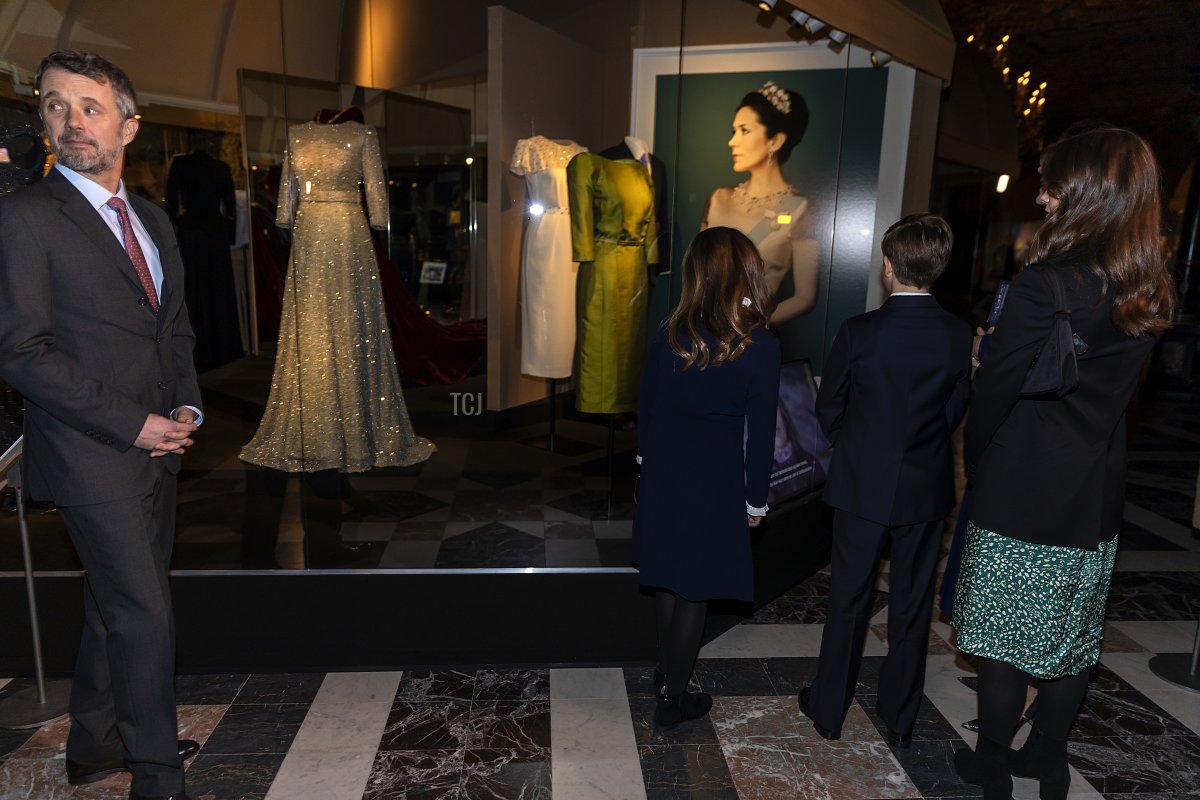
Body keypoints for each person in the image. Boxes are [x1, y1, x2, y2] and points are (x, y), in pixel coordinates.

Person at [0, 50, 204, 800]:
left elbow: (173, 329)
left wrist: (185, 406)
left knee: (109, 603)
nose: (71, 121)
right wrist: (135, 423)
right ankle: (155, 773)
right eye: (55, 105)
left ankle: (94, 740)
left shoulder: (148, 218)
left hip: (160, 445)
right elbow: (20, 352)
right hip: (92, 451)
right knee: (144, 611)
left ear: (129, 125)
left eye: (89, 106)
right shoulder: (23, 218)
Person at [952, 126, 1177, 800]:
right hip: (1097, 484)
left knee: (1000, 634)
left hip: (1023, 481)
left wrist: (973, 460)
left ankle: (991, 764)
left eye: (1052, 185)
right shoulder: (1150, 286)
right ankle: (1046, 755)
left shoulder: (1045, 285)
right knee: (1072, 634)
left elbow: (991, 395)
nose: (1043, 197)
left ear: (1083, 194)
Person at [798, 213, 972, 746]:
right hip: (924, 485)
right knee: (913, 604)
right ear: (936, 269)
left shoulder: (860, 331)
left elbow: (828, 409)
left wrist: (858, 446)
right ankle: (899, 719)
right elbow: (955, 410)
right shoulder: (958, 334)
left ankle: (828, 710)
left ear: (890, 267)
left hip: (860, 484)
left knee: (848, 598)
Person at [631, 226, 780, 727]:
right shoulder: (757, 344)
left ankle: (664, 671)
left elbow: (646, 407)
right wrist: (756, 501)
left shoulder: (670, 332)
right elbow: (761, 436)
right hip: (713, 483)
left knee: (669, 581)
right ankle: (673, 697)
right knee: (694, 587)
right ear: (745, 272)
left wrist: (644, 466)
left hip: (664, 474)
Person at [701, 81, 820, 325]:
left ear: (774, 141)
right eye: (733, 131)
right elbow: (698, 276)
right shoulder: (718, 199)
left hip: (753, 337)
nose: (732, 141)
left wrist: (751, 327)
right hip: (703, 331)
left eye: (744, 131)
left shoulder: (798, 209)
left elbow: (805, 297)